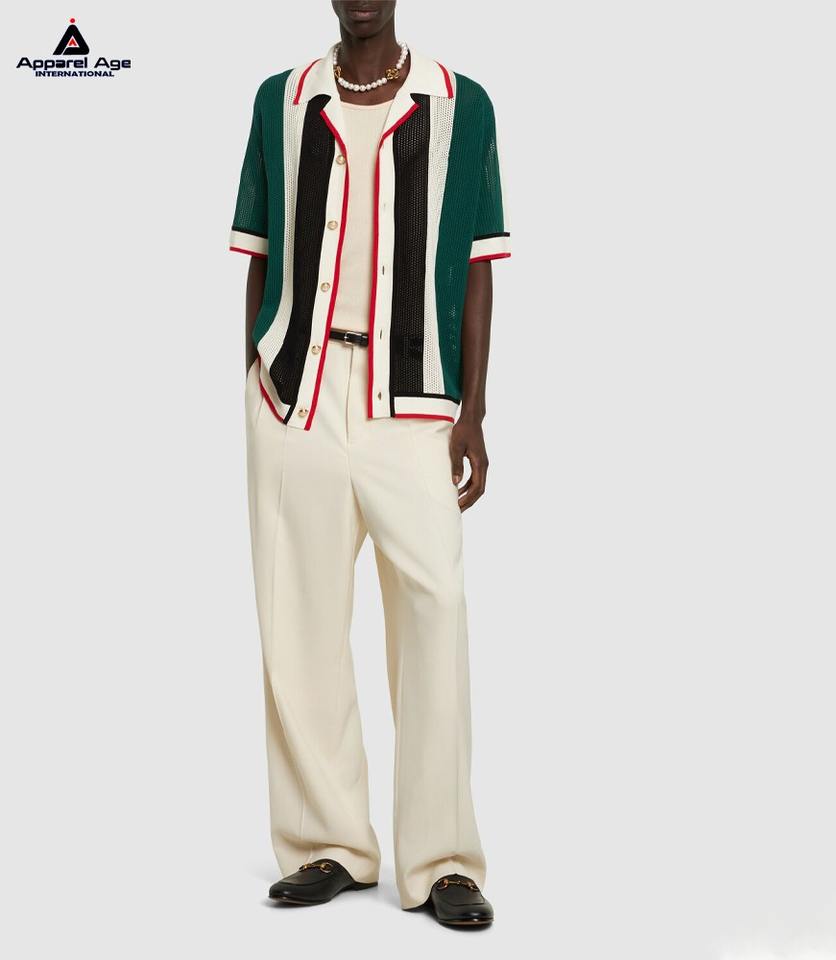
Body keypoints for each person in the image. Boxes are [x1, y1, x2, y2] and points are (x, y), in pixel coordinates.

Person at [229, 0, 510, 928]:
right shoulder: (281, 101)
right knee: (298, 622)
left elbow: (478, 263)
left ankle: (441, 861)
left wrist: (473, 411)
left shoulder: (462, 104)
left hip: (414, 402)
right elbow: (257, 253)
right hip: (297, 396)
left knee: (437, 608)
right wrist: (254, 379)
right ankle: (327, 843)